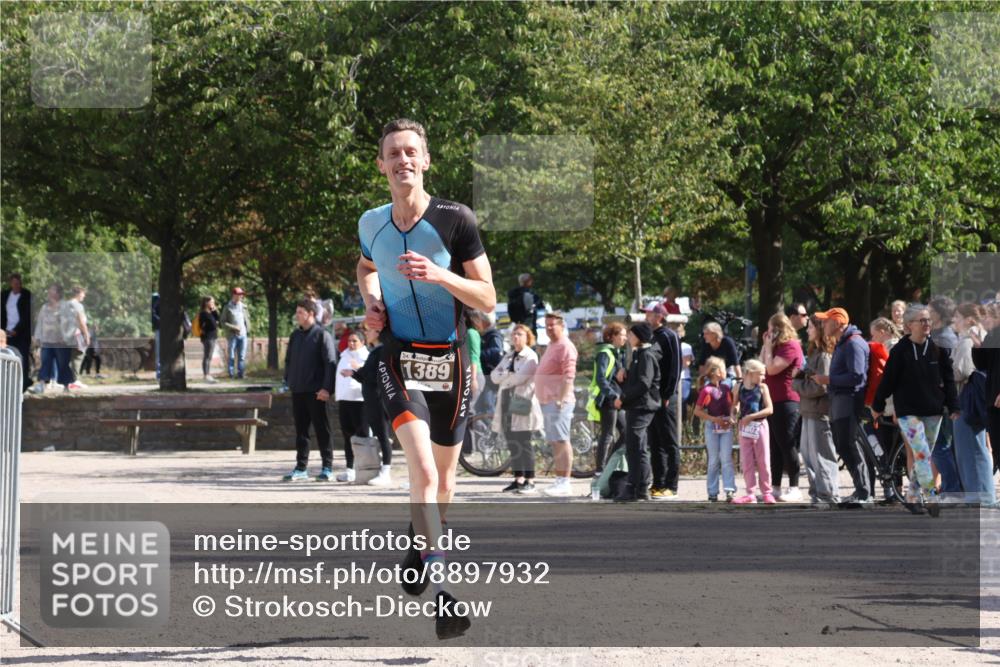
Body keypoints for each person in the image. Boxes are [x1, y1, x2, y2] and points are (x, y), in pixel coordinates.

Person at [356, 118, 493, 638]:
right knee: (424, 474)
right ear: (381, 164)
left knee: (444, 482)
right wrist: (372, 302)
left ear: (426, 160)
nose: (403, 160)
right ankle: (445, 592)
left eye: (411, 151)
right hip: (399, 359)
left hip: (452, 363)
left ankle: (419, 543)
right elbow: (366, 266)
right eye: (393, 153)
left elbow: (487, 299)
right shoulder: (371, 222)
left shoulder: (456, 220)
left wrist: (440, 274)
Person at [872, 304, 958, 505]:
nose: (927, 324)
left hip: (933, 410)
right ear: (910, 325)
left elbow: (949, 377)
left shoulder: (938, 347)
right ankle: (930, 496)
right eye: (922, 320)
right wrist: (877, 406)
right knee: (921, 453)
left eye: (928, 320)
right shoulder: (900, 350)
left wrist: (954, 405)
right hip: (908, 412)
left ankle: (911, 494)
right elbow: (888, 381)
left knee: (924, 456)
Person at [813, 307, 872, 504]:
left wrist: (828, 379)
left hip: (849, 401)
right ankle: (861, 491)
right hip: (841, 402)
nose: (823, 325)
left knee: (849, 445)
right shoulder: (845, 342)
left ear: (838, 322)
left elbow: (857, 376)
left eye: (826, 321)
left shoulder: (853, 343)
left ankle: (864, 492)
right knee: (844, 445)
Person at [282, 300, 337, 482]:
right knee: (301, 432)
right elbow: (289, 360)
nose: (297, 315)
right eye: (296, 312)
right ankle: (301, 467)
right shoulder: (295, 335)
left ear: (311, 314)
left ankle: (327, 467)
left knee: (323, 430)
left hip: (317, 392)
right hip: (298, 390)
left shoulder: (322, 335)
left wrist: (327, 388)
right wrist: (289, 380)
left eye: (300, 312)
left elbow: (330, 363)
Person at [491, 323, 543, 494]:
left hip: (522, 402)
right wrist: (507, 376)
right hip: (506, 401)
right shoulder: (508, 355)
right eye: (513, 334)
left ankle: (530, 480)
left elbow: (519, 379)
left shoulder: (531, 357)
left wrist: (505, 376)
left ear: (527, 337)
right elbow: (493, 376)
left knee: (524, 442)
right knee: (512, 442)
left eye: (519, 334)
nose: (515, 337)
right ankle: (518, 478)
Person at [793, 316, 839, 504]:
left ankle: (828, 495)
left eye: (811, 327)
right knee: (808, 456)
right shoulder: (815, 353)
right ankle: (817, 494)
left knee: (821, 456)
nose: (807, 330)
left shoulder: (825, 356)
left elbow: (822, 386)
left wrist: (796, 384)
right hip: (808, 411)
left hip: (819, 412)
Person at [613, 322, 660, 502]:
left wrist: (622, 397)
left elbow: (643, 384)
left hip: (643, 406)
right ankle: (639, 487)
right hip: (637, 405)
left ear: (639, 337)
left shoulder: (646, 356)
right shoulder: (639, 355)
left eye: (631, 335)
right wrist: (623, 377)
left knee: (636, 447)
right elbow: (636, 382)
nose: (628, 338)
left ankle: (637, 486)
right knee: (635, 446)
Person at [952, 303, 994, 503]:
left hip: (967, 400)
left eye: (957, 317)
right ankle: (977, 495)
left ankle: (981, 496)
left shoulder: (968, 340)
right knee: (970, 449)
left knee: (972, 449)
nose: (954, 321)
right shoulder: (971, 338)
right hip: (968, 399)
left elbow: (963, 370)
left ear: (969, 319)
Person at [534, 311, 579, 497]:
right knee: (555, 442)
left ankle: (565, 481)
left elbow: (569, 375)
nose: (549, 329)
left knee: (561, 440)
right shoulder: (552, 345)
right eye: (547, 326)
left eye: (553, 325)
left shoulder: (565, 346)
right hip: (548, 401)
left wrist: (561, 398)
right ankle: (559, 480)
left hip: (558, 401)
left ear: (562, 325)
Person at [761, 312, 804, 501]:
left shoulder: (790, 346)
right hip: (773, 400)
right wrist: (766, 346)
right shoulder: (775, 347)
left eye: (771, 329)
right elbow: (762, 365)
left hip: (787, 401)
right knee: (774, 446)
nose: (768, 333)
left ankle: (795, 487)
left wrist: (769, 348)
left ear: (779, 328)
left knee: (787, 444)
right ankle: (775, 487)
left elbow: (771, 368)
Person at [645, 302, 682, 500]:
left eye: (649, 314)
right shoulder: (650, 336)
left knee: (669, 440)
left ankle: (671, 484)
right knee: (655, 440)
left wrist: (668, 393)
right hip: (652, 397)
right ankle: (657, 482)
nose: (646, 317)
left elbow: (676, 367)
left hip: (665, 396)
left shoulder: (670, 336)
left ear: (659, 316)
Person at [353, 326, 393, 487]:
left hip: (379, 399)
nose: (367, 333)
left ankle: (386, 471)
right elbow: (366, 376)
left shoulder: (381, 351)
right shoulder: (375, 351)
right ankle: (380, 469)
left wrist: (358, 370)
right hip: (372, 399)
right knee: (380, 434)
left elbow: (373, 376)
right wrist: (356, 373)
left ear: (377, 333)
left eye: (369, 331)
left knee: (384, 436)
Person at [928, 295, 961, 493]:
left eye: (930, 311)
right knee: (941, 447)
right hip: (941, 399)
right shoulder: (939, 335)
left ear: (939, 314)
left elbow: (946, 374)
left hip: (943, 402)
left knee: (940, 447)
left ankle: (952, 490)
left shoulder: (943, 339)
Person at [730, 359, 775, 504]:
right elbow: (735, 404)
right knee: (747, 461)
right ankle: (750, 493)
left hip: (759, 426)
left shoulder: (763, 388)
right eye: (761, 374)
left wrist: (751, 416)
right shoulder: (738, 386)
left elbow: (769, 409)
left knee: (763, 461)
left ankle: (767, 492)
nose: (763, 377)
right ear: (750, 373)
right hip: (744, 427)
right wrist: (733, 414)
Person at [694, 356, 735, 502]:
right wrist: (713, 419)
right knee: (713, 459)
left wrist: (731, 416)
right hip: (712, 426)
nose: (726, 372)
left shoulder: (727, 387)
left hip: (725, 426)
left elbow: (733, 405)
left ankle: (729, 490)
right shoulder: (707, 390)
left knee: (726, 458)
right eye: (724, 369)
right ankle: (712, 491)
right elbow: (697, 411)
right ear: (717, 372)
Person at [589, 322, 626, 474]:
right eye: (622, 335)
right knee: (608, 434)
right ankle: (600, 470)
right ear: (612, 337)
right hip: (608, 400)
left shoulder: (614, 353)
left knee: (626, 431)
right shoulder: (605, 353)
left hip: (614, 398)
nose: (624, 338)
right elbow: (600, 379)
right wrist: (613, 395)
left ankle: (609, 463)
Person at [334, 329, 369, 483]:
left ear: (362, 342)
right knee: (347, 435)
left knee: (361, 435)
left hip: (360, 401)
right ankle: (349, 468)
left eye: (355, 341)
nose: (351, 344)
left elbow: (368, 377)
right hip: (344, 399)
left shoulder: (367, 357)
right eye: (349, 341)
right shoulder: (344, 355)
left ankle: (363, 468)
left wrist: (358, 368)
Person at [972, 307, 1000, 479]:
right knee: (997, 444)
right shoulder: (992, 335)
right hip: (992, 397)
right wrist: (977, 347)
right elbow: (982, 364)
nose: (986, 320)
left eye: (990, 316)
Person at [31, 284, 72, 393]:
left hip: (61, 342)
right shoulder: (44, 307)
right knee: (45, 363)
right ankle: (41, 385)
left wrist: (66, 337)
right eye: (49, 291)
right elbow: (40, 323)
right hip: (47, 341)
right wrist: (37, 337)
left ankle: (66, 386)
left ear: (58, 293)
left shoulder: (65, 306)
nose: (49, 293)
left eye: (52, 291)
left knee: (63, 364)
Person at [2, 273, 32, 391]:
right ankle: (7, 383)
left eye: (19, 283)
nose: (17, 285)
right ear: (11, 283)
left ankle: (23, 384)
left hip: (21, 333)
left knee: (22, 358)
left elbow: (27, 315)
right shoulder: (4, 295)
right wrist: (3, 331)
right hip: (6, 333)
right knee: (6, 357)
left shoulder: (27, 295)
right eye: (14, 283)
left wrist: (17, 330)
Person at [61, 286, 90, 390]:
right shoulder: (78, 305)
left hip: (66, 335)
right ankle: (75, 380)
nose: (84, 296)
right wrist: (86, 335)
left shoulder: (65, 304)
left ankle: (67, 381)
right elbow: (81, 321)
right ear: (78, 293)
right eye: (83, 293)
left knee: (69, 357)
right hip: (76, 334)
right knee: (79, 355)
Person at [221, 287, 250, 379]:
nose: (241, 296)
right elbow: (222, 322)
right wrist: (234, 327)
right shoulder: (227, 307)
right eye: (239, 294)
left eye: (242, 294)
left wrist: (247, 329)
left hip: (243, 335)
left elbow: (247, 320)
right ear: (234, 295)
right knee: (232, 356)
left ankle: (241, 374)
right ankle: (231, 374)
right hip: (232, 335)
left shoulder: (244, 306)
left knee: (242, 356)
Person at [507, 273, 542, 340]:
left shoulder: (513, 294)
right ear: (527, 281)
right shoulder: (529, 293)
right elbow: (537, 306)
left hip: (517, 324)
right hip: (528, 325)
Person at [198, 296, 221, 382]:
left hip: (213, 337)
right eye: (212, 302)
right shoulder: (204, 314)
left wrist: (214, 310)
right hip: (208, 337)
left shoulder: (211, 312)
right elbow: (213, 325)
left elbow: (218, 320)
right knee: (207, 356)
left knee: (209, 356)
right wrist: (215, 323)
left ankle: (208, 374)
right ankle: (206, 375)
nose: (213, 304)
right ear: (206, 303)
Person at [151, 292, 160, 380]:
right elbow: (153, 313)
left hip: (171, 329)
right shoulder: (156, 298)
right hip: (160, 328)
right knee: (159, 352)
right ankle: (159, 374)